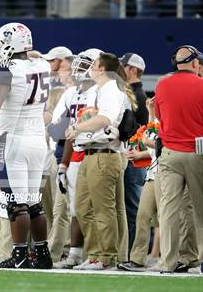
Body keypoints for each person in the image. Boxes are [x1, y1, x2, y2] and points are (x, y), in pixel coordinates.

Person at [0, 22, 52, 269]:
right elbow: (34, 56)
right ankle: (42, 254)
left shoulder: (6, 71)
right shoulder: (43, 65)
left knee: (16, 202)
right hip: (37, 140)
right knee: (33, 201)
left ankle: (20, 255)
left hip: (12, 140)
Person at [65, 53, 137, 270]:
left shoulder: (112, 91)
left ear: (103, 69)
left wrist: (77, 128)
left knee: (103, 209)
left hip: (105, 154)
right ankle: (95, 254)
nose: (90, 68)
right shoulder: (96, 91)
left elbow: (105, 119)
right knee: (83, 208)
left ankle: (107, 257)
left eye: (95, 65)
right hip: (89, 154)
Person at [50, 48, 102, 268]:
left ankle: (102, 254)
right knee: (75, 207)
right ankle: (75, 253)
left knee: (99, 207)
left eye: (85, 64)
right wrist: (63, 164)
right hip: (75, 152)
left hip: (98, 152)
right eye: (79, 63)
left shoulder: (104, 91)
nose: (79, 69)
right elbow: (62, 129)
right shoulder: (71, 93)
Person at [154, 45, 203, 273]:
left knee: (169, 211)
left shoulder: (162, 85)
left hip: (170, 154)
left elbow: (159, 117)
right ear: (195, 63)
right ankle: (200, 260)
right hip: (197, 153)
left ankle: (167, 263)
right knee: (200, 210)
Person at [120, 52, 149, 252]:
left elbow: (143, 130)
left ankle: (133, 253)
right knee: (130, 208)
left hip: (134, 160)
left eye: (123, 67)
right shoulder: (132, 93)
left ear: (133, 70)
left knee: (133, 209)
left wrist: (136, 152)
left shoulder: (137, 95)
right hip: (132, 159)